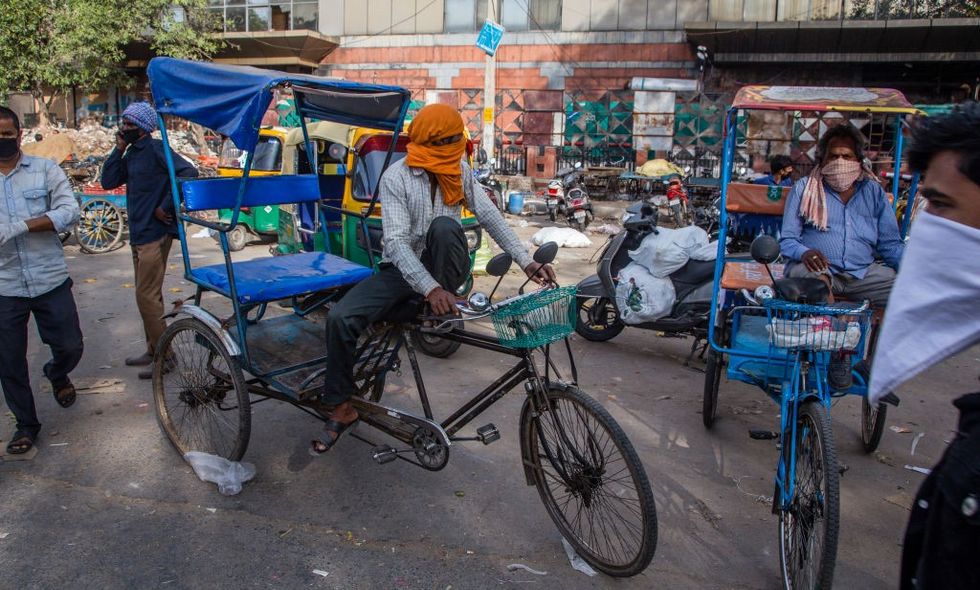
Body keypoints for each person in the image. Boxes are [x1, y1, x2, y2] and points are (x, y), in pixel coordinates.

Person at [313, 104, 555, 453]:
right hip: (406, 269)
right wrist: (429, 287)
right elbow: (395, 243)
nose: (459, 147)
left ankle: (439, 302)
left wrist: (527, 261)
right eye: (453, 141)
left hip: (447, 264)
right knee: (340, 317)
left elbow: (490, 216)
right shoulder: (396, 178)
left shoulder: (458, 168)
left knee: (444, 226)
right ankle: (341, 405)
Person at [867, 103, 980, 590]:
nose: (930, 223)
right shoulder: (805, 194)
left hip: (863, 275)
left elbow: (894, 245)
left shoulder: (873, 196)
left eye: (940, 204)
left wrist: (901, 273)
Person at [0, 106, 83, 454]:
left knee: (70, 346)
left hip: (49, 278)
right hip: (4, 287)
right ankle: (25, 425)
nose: (2, 140)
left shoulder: (45, 170)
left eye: (7, 134)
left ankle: (57, 372)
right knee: (9, 362)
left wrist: (24, 225)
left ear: (19, 135)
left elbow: (70, 211)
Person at [101, 102, 198, 379]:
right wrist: (118, 149)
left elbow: (189, 172)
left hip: (155, 234)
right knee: (148, 297)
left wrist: (166, 205)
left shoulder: (156, 149)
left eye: (130, 125)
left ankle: (166, 356)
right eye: (124, 124)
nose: (124, 129)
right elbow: (108, 181)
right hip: (138, 233)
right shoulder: (131, 153)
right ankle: (153, 348)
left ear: (143, 128)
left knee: (146, 297)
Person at [779, 124, 904, 308]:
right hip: (817, 271)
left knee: (907, 291)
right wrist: (804, 253)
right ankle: (831, 328)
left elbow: (890, 245)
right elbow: (787, 240)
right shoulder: (804, 188)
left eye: (846, 156)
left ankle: (873, 336)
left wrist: (913, 270)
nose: (839, 162)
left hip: (863, 274)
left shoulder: (873, 191)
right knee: (817, 283)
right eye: (833, 156)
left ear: (858, 161)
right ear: (822, 160)